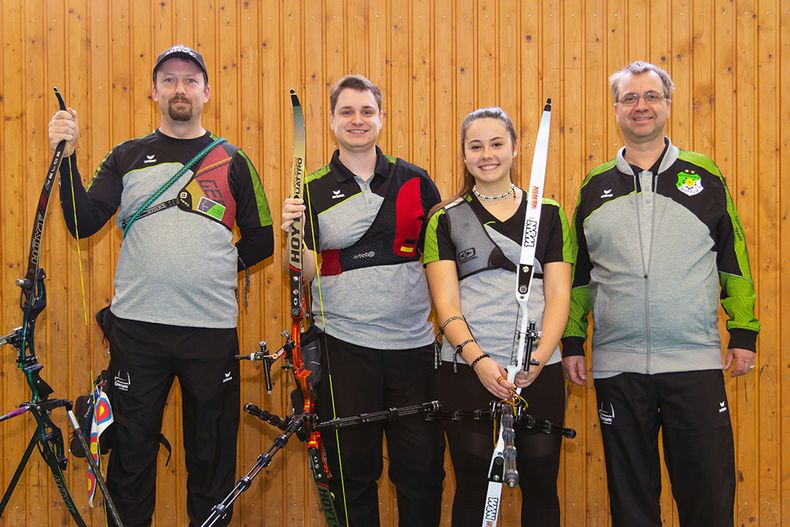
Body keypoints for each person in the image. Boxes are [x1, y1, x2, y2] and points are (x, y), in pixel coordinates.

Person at [47, 44, 274, 527]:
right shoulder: (126, 156)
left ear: (206, 93)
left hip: (210, 330)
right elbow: (84, 222)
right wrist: (66, 160)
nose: (179, 88)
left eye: (190, 80)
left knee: (211, 458)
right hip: (137, 331)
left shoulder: (233, 159)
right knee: (129, 455)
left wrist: (214, 267)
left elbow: (263, 240)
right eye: (169, 79)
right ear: (154, 91)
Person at [561, 61, 760, 527]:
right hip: (618, 366)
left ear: (668, 105)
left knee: (708, 498)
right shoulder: (594, 187)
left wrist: (744, 329)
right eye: (630, 98)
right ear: (616, 109)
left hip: (693, 362)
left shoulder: (704, 176)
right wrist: (573, 340)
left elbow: (734, 258)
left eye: (650, 96)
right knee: (631, 504)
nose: (640, 106)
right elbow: (578, 274)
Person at [280, 74, 445, 527]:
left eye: (366, 111)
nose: (358, 120)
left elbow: (439, 260)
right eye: (347, 112)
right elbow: (302, 273)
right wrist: (291, 237)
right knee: (353, 471)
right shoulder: (311, 189)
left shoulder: (415, 180)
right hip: (343, 347)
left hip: (413, 348)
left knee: (422, 471)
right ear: (332, 121)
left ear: (381, 118)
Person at [423, 107, 572, 526]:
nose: (487, 154)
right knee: (471, 488)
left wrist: (538, 359)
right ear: (464, 155)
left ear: (515, 149)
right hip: (467, 372)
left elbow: (559, 295)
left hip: (538, 372)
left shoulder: (550, 213)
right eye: (476, 146)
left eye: (496, 143)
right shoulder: (444, 218)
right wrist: (479, 361)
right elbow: (446, 307)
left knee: (541, 486)